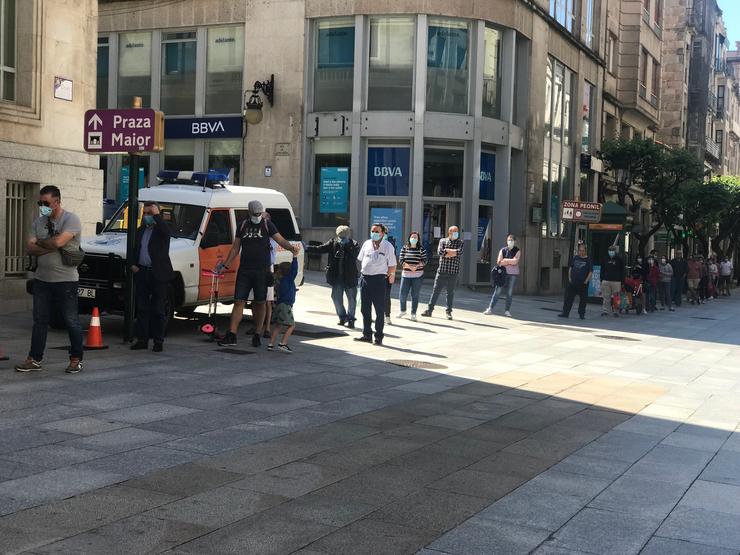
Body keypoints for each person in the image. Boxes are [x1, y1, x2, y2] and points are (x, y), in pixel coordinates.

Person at [16, 185, 84, 374]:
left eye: (46, 203)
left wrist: (42, 243)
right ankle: (34, 358)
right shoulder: (38, 222)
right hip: (42, 279)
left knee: (71, 320)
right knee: (40, 320)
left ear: (57, 202)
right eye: (40, 202)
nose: (42, 206)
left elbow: (59, 242)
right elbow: (30, 248)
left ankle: (76, 358)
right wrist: (48, 244)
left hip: (66, 280)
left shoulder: (71, 219)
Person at [214, 200, 299, 348]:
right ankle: (232, 335)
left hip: (262, 271)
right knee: (239, 301)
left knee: (260, 302)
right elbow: (235, 248)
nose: (257, 216)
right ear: (249, 212)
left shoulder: (267, 224)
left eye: (260, 213)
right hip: (245, 270)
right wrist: (225, 266)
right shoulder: (242, 225)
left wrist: (292, 248)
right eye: (255, 214)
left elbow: (279, 239)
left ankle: (257, 335)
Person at [130, 202, 174, 352]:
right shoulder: (141, 230)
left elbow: (167, 231)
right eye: (145, 214)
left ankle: (158, 341)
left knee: (158, 309)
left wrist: (157, 215)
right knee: (142, 308)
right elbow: (136, 248)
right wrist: (134, 264)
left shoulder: (161, 230)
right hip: (142, 271)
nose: (147, 217)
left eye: (150, 213)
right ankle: (142, 339)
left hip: (158, 273)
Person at [305, 225, 360, 328]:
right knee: (336, 298)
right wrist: (306, 248)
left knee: (352, 300)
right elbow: (320, 249)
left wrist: (347, 246)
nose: (342, 237)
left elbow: (355, 255)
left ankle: (351, 319)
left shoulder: (354, 244)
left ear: (348, 234)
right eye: (340, 235)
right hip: (337, 277)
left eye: (344, 235)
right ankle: (342, 317)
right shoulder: (333, 242)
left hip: (350, 277)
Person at [355, 223, 397, 345]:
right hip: (365, 279)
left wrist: (389, 278)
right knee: (364, 309)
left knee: (379, 310)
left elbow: (393, 265)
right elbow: (362, 259)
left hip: (379, 280)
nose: (374, 233)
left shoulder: (388, 246)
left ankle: (378, 337)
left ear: (382, 233)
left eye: (376, 231)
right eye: (372, 231)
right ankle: (367, 334)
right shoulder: (366, 244)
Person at [421, 226, 464, 320]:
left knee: (450, 293)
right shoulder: (442, 241)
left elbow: (460, 252)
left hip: (453, 272)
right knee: (436, 291)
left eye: (457, 231)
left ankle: (449, 312)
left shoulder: (460, 242)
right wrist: (453, 253)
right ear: (449, 232)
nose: (456, 233)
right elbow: (440, 252)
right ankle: (429, 310)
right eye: (454, 231)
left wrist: (448, 251)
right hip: (442, 271)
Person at [483, 234, 520, 317]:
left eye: (511, 240)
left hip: (513, 274)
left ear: (515, 241)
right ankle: (490, 308)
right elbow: (499, 261)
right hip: (502, 273)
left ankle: (507, 310)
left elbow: (515, 262)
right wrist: (509, 261)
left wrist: (505, 260)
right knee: (497, 291)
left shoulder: (517, 250)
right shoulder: (503, 250)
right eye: (508, 240)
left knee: (509, 293)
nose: (510, 242)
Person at [268, 256, 298, 353]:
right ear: (289, 272)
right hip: (286, 305)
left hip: (279, 305)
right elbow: (295, 269)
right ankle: (283, 343)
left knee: (278, 325)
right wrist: (295, 258)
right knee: (292, 325)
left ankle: (271, 344)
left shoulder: (280, 280)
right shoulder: (288, 279)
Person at [397, 231, 427, 321]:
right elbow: (401, 260)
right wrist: (409, 267)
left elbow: (424, 260)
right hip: (406, 275)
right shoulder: (405, 248)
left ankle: (413, 313)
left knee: (415, 295)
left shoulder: (421, 249)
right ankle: (403, 310)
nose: (414, 239)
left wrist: (417, 266)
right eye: (412, 237)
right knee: (402, 294)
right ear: (409, 238)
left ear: (418, 239)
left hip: (417, 276)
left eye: (415, 237)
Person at [558, 243, 593, 320]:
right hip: (573, 283)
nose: (581, 252)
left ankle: (581, 314)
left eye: (583, 251)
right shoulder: (575, 258)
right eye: (580, 250)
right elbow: (571, 268)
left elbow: (590, 271)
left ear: (585, 251)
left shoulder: (588, 260)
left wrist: (586, 281)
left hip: (583, 284)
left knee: (583, 300)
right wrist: (569, 278)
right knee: (568, 298)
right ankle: (565, 313)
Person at [598, 245, 624, 318]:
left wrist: (622, 281)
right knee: (606, 297)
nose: (611, 252)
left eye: (612, 250)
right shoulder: (605, 258)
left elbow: (622, 271)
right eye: (610, 250)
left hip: (616, 281)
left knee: (616, 297)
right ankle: (605, 311)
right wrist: (601, 279)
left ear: (615, 251)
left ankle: (616, 311)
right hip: (606, 280)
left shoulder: (619, 259)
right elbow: (602, 269)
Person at [382, 226, 397, 325]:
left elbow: (393, 262)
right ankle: (378, 315)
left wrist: (392, 274)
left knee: (386, 296)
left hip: (387, 274)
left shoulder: (390, 244)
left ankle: (387, 316)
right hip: (375, 274)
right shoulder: (371, 243)